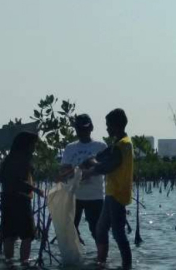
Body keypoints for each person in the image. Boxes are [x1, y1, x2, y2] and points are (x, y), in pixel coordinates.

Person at [84, 109, 133, 269]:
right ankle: (102, 262)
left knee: (118, 234)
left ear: (115, 126)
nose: (106, 129)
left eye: (108, 125)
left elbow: (107, 167)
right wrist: (89, 160)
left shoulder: (122, 145)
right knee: (101, 228)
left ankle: (127, 266)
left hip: (117, 195)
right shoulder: (121, 142)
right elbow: (102, 156)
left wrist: (91, 168)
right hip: (113, 194)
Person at [58, 114, 108, 259]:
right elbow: (63, 171)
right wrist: (73, 172)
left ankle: (102, 260)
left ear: (91, 128)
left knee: (96, 230)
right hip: (74, 196)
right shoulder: (70, 148)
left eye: (85, 128)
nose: (82, 131)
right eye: (79, 129)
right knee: (71, 228)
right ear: (75, 129)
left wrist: (88, 172)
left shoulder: (100, 146)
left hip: (95, 196)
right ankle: (76, 254)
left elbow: (104, 167)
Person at [0, 131, 44, 265]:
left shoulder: (8, 158)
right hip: (21, 200)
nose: (34, 147)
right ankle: (24, 262)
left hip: (7, 199)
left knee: (9, 234)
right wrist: (35, 189)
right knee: (27, 235)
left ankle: (9, 262)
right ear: (26, 145)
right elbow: (17, 181)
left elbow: (1, 178)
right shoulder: (22, 158)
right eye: (33, 144)